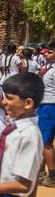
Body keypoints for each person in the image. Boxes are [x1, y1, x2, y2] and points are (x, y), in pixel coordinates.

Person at [38, 42, 55, 187]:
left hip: (50, 106)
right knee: (43, 140)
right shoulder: (49, 68)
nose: (45, 54)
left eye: (49, 52)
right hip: (44, 105)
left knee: (46, 143)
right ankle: (42, 172)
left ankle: (53, 176)